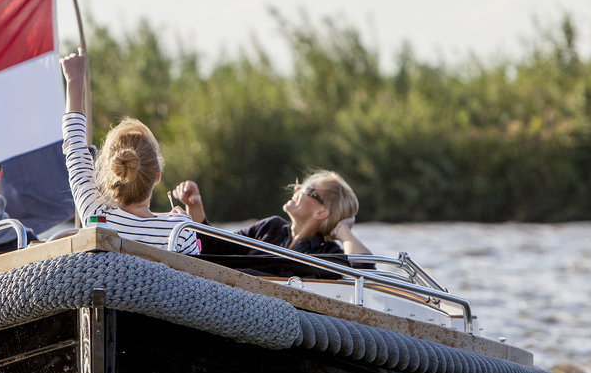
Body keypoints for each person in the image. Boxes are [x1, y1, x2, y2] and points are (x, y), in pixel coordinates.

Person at [61, 53, 200, 254]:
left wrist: (74, 81)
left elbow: (74, 148)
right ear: (157, 176)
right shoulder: (179, 231)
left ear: (111, 174)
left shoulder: (97, 216)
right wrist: (184, 223)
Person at [172, 170, 371, 256]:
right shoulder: (270, 227)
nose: (296, 190)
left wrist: (344, 231)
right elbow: (217, 248)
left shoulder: (327, 253)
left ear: (322, 212)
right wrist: (194, 207)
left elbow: (364, 271)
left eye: (308, 189)